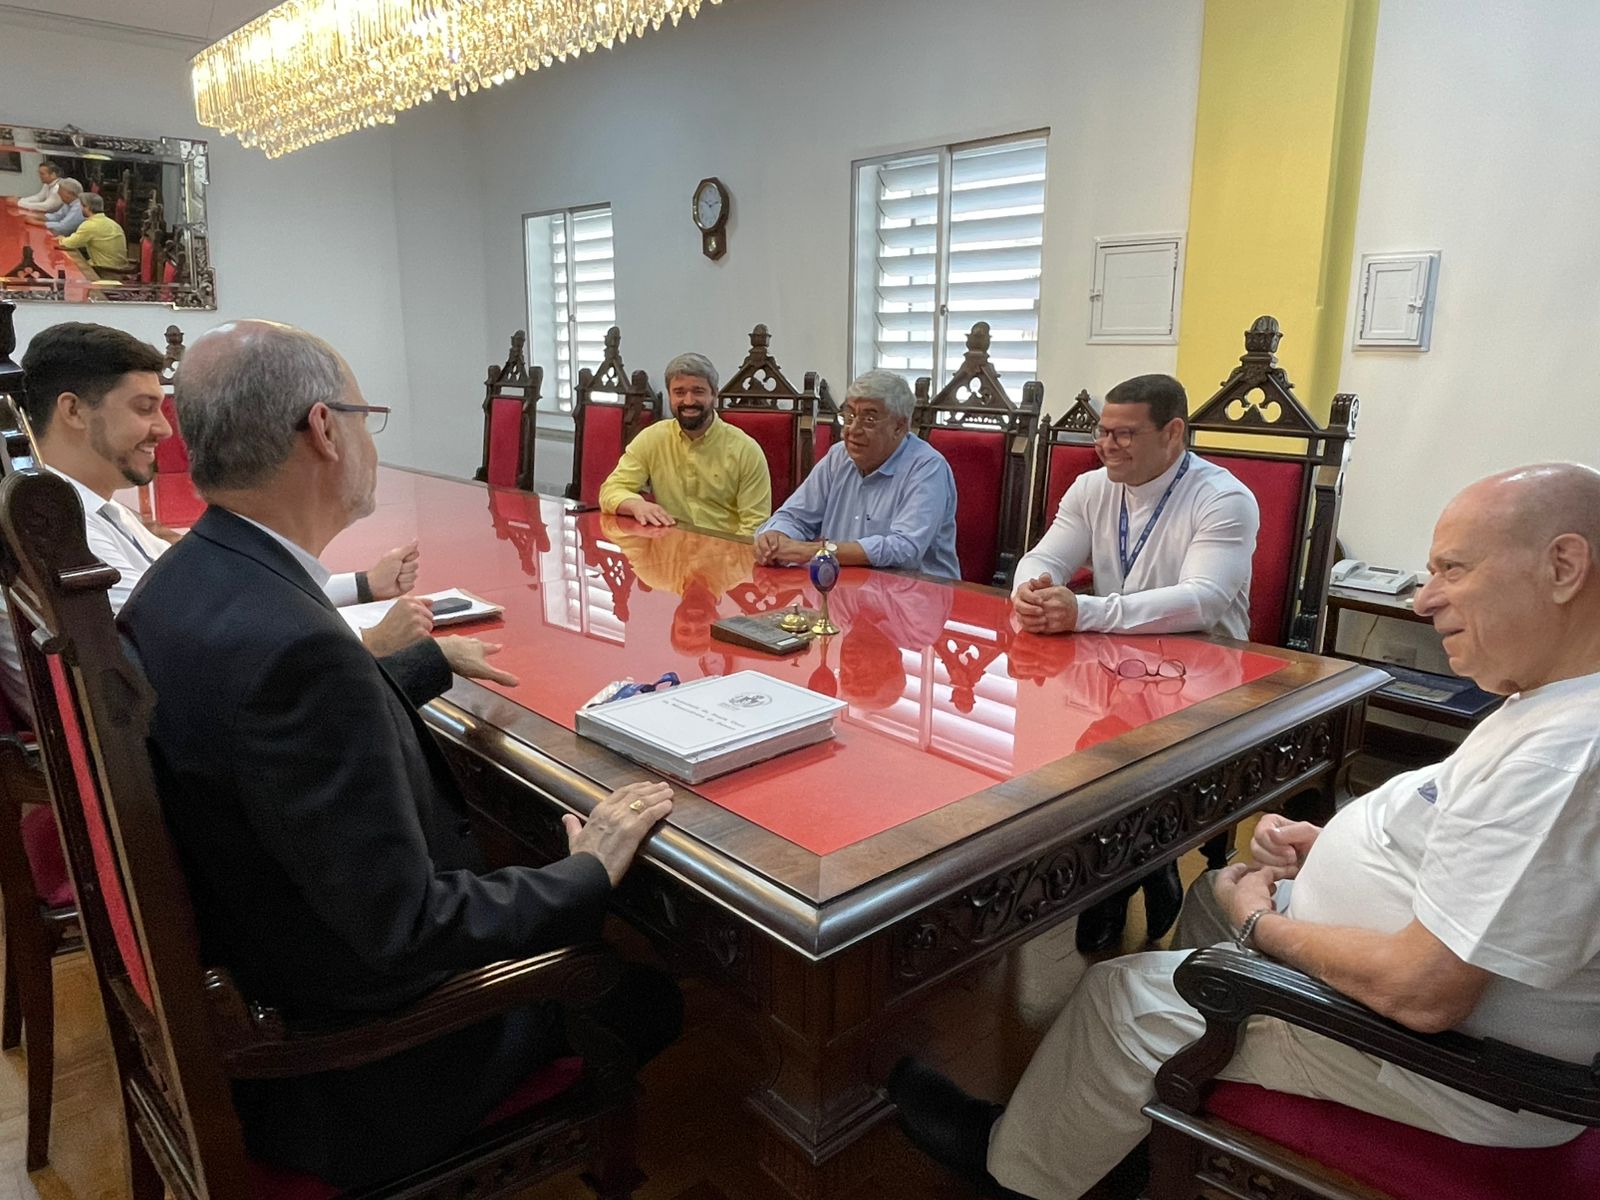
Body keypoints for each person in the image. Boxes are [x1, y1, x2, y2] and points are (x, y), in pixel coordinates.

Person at [891, 462, 1600, 1200]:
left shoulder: (1566, 757)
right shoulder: (1556, 699)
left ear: (1563, 567)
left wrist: (1262, 924)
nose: (1424, 599)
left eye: (1453, 569)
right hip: (1420, 997)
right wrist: (1335, 850)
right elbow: (1490, 859)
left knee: (1119, 995)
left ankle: (1018, 1175)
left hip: (1445, 1067)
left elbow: (1425, 993)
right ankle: (1112, 1124)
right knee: (1207, 900)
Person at [119, 320, 682, 1188]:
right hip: (353, 1070)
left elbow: (266, 738)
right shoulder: (298, 653)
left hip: (263, 952)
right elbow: (407, 927)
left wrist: (419, 663)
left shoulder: (186, 579)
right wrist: (585, 875)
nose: (369, 439)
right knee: (644, 990)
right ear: (324, 429)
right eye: (365, 417)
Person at [0, 322, 427, 719]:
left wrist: (363, 585)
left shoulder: (92, 512)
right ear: (73, 411)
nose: (166, 430)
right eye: (145, 408)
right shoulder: (61, 535)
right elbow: (219, 650)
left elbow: (232, 599)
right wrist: (375, 642)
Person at [1013, 373, 1260, 953]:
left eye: (1124, 434)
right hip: (1112, 666)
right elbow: (1043, 557)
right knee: (1064, 760)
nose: (1107, 446)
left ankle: (1130, 871)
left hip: (1205, 677)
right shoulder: (1091, 488)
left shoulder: (1223, 498)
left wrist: (1087, 611)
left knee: (1125, 766)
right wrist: (1031, 590)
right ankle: (1134, 866)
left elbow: (1203, 600)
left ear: (1172, 433)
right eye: (1102, 432)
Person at [754, 370, 959, 579]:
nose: (853, 430)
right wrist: (776, 536)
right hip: (842, 586)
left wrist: (818, 551)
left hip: (917, 590)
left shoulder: (927, 467)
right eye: (849, 416)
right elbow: (793, 516)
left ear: (899, 426)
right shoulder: (838, 456)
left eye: (869, 419)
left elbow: (905, 549)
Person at [597, 352, 771, 535]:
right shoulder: (652, 438)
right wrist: (636, 505)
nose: (688, 401)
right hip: (669, 545)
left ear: (714, 394)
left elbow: (755, 527)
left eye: (698, 391)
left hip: (726, 549)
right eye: (679, 392)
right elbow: (610, 490)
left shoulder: (746, 450)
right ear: (669, 395)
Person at [55, 193, 128, 271]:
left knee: (67, 268)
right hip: (120, 267)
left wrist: (61, 239)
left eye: (80, 206)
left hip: (105, 270)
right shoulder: (113, 223)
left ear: (87, 207)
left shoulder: (89, 225)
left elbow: (69, 244)